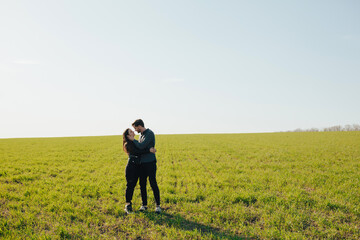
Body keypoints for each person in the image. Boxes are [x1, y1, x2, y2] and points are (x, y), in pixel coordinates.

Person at [127, 119, 161, 214]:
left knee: (153, 183)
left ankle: (158, 205)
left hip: (150, 163)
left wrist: (133, 140)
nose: (135, 130)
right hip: (142, 164)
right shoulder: (141, 135)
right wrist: (147, 149)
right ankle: (144, 205)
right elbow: (140, 148)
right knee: (142, 184)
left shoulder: (149, 133)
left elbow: (141, 146)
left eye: (135, 128)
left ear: (139, 126)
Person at [122, 128, 156, 214]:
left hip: (138, 167)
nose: (133, 131)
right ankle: (128, 205)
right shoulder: (127, 144)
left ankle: (141, 204)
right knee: (130, 186)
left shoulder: (134, 141)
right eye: (130, 131)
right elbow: (138, 151)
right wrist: (149, 150)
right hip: (131, 168)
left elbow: (140, 148)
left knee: (138, 185)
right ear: (128, 136)